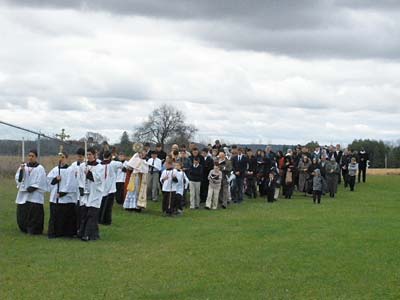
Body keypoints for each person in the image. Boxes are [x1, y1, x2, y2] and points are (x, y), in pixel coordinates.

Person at [15, 149, 48, 235]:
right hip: (24, 194)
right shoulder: (24, 166)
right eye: (29, 156)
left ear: (36, 157)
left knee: (34, 214)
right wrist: (22, 171)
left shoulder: (40, 168)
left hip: (35, 195)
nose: (30, 158)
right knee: (23, 212)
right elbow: (18, 178)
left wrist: (33, 187)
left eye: (32, 156)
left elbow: (41, 180)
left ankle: (34, 229)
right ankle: (24, 227)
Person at [47, 152, 78, 238]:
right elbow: (49, 182)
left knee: (66, 216)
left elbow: (72, 184)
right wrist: (56, 179)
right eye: (60, 157)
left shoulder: (70, 170)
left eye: (63, 157)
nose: (61, 159)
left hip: (67, 198)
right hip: (55, 198)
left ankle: (67, 233)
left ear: (66, 159)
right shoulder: (55, 170)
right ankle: (55, 232)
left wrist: (62, 193)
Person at [78, 147, 105, 241]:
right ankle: (87, 233)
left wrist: (89, 174)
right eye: (87, 154)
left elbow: (99, 179)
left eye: (90, 154)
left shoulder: (99, 167)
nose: (88, 156)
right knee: (84, 213)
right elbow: (80, 178)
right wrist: (81, 188)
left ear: (94, 155)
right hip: (85, 193)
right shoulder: (83, 166)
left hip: (95, 193)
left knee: (92, 214)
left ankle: (87, 235)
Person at [98, 151, 123, 225]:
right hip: (111, 188)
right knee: (108, 207)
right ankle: (107, 221)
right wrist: (115, 158)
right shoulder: (113, 163)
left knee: (101, 204)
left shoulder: (99, 164)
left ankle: (99, 219)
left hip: (102, 187)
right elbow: (121, 165)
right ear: (110, 156)